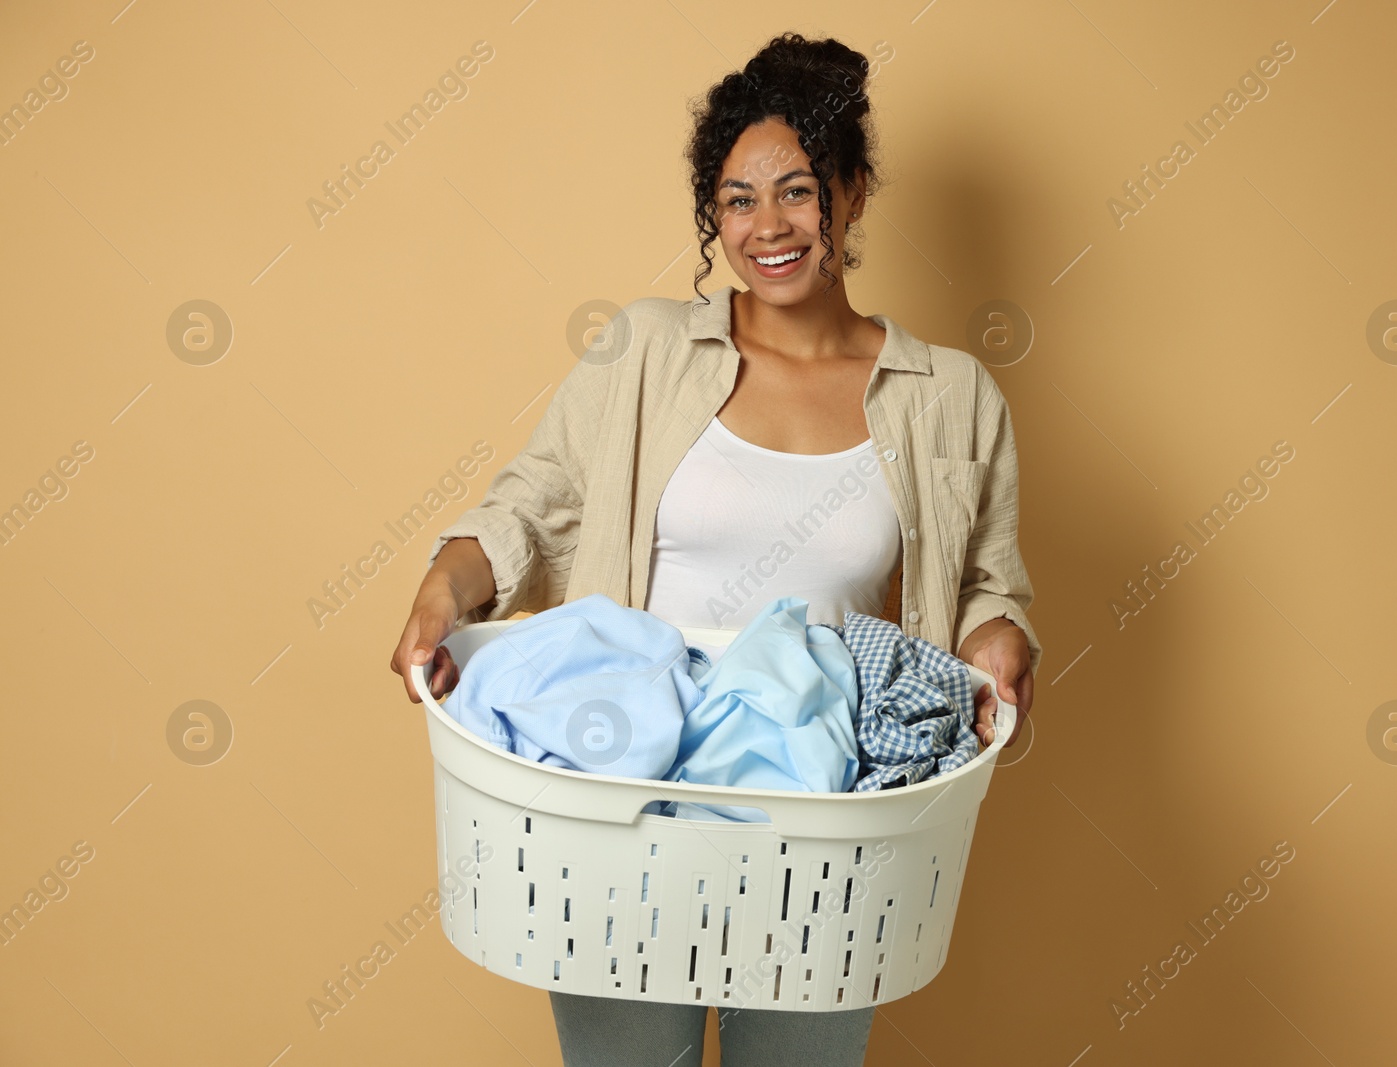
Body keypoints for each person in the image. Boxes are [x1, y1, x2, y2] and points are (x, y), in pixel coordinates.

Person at [390, 31, 1042, 1067]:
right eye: (737, 200)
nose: (766, 227)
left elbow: (982, 586)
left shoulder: (950, 396)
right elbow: (536, 502)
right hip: (627, 794)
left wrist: (1001, 643)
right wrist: (444, 586)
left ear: (855, 188)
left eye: (796, 190)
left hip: (823, 812)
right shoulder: (648, 349)